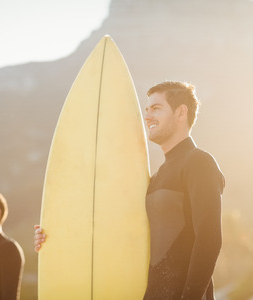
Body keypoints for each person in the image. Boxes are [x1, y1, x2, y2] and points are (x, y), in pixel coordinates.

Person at [34, 80, 224, 300]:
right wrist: (55, 237)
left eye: (156, 108)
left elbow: (209, 238)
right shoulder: (156, 178)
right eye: (147, 109)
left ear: (181, 113)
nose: (148, 116)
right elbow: (122, 233)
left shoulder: (198, 162)